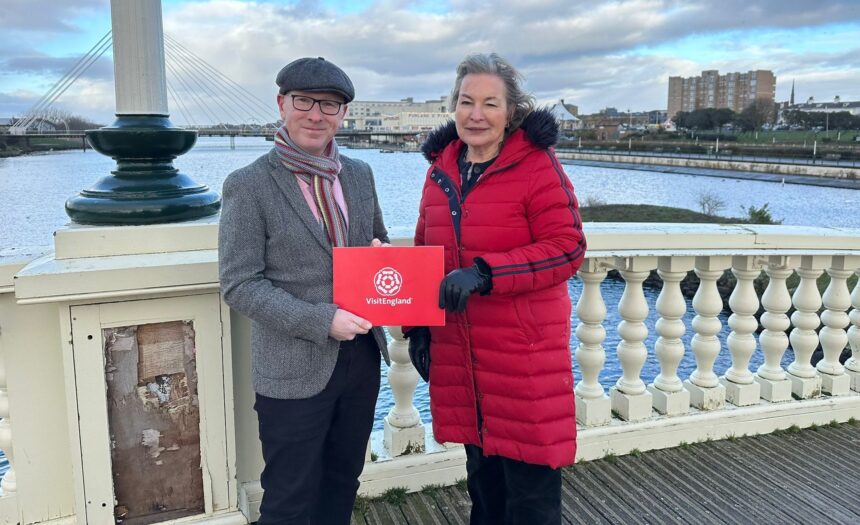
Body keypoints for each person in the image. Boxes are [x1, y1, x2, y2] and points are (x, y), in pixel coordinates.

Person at [409, 53, 586, 524]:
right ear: (453, 107)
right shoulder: (440, 171)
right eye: (466, 101)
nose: (476, 114)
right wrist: (419, 327)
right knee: (483, 485)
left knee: (530, 494)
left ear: (511, 111)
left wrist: (487, 274)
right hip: (461, 355)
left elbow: (567, 247)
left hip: (521, 354)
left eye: (490, 103)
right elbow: (425, 250)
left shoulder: (536, 166)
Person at [218, 57, 390, 524]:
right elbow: (239, 284)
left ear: (343, 114)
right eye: (304, 101)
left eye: (330, 105)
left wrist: (380, 256)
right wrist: (321, 321)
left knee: (342, 482)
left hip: (361, 357)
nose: (316, 114)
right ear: (282, 104)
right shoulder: (248, 185)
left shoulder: (358, 175)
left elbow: (380, 243)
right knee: (290, 498)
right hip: (293, 366)